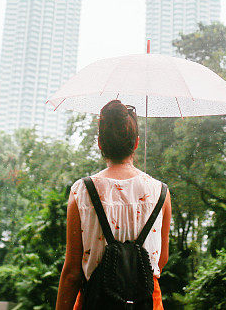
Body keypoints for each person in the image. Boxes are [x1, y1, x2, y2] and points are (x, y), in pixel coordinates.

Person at [55, 99, 172, 310]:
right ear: (136, 143)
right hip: (147, 302)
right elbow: (161, 260)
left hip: (96, 301)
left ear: (100, 143)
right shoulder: (161, 191)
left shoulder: (81, 191)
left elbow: (72, 272)